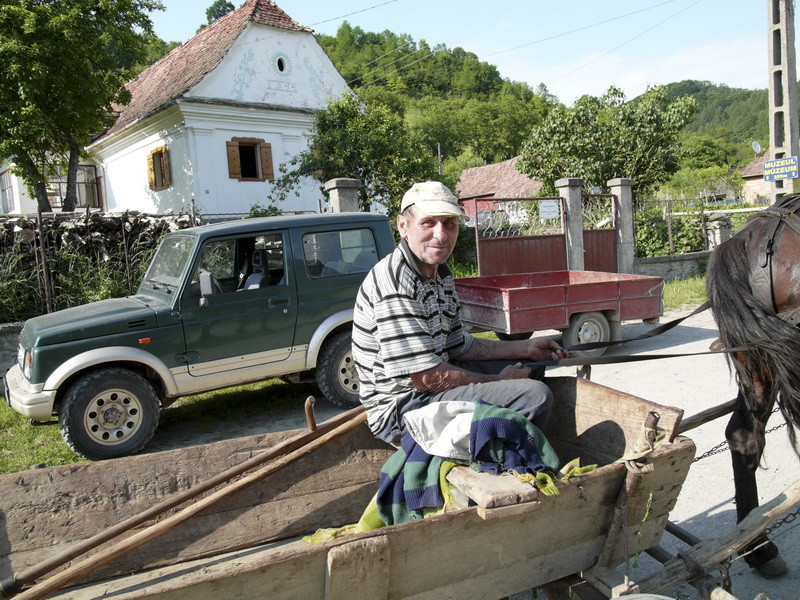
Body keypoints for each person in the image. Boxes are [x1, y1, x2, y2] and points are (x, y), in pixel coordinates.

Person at [352, 181, 570, 445]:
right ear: (403, 226)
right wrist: (498, 381)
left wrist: (527, 348)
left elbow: (458, 346)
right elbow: (427, 377)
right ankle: (500, 469)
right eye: (428, 223)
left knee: (530, 368)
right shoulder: (396, 282)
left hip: (426, 389)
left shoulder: (439, 274)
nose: (441, 235)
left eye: (449, 224)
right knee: (534, 396)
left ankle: (508, 443)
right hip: (402, 410)